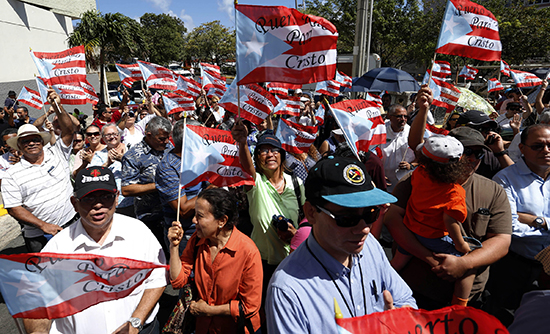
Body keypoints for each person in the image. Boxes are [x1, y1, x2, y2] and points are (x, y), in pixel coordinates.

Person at [385, 86, 512, 310]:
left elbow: (501, 241)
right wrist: (430, 259)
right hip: (415, 295)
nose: (473, 158)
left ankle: (458, 308)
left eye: (479, 153)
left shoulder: (494, 190)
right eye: (468, 152)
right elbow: (393, 220)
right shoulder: (417, 179)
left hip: (470, 302)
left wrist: (464, 264)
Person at [266, 155, 416, 333]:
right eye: (347, 218)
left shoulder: (371, 247)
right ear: (311, 213)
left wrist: (399, 320)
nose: (364, 229)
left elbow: (405, 300)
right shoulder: (288, 291)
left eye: (371, 214)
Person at [23, 167, 167, 334]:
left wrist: (135, 321)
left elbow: (157, 278)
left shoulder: (138, 232)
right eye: (88, 198)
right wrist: (37, 331)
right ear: (74, 203)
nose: (98, 205)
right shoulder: (56, 249)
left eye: (106, 197)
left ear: (117, 198)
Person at [390, 135, 475, 306]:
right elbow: (450, 222)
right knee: (468, 268)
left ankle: (380, 284)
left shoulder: (418, 173)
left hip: (411, 228)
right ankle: (459, 307)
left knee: (397, 263)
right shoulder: (454, 192)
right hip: (434, 237)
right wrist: (461, 246)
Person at [168, 188, 262, 334]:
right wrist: (174, 247)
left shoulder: (248, 252)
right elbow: (178, 281)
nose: (194, 221)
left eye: (199, 216)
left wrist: (209, 310)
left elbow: (249, 307)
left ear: (222, 221)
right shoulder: (197, 241)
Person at [231, 121, 304, 300]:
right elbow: (247, 168)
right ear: (257, 158)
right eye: (263, 151)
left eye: (274, 150)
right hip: (260, 262)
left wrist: (296, 234)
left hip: (293, 260)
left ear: (282, 155)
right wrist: (242, 143)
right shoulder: (256, 183)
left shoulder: (297, 184)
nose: (269, 154)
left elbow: (308, 219)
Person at [1, 89, 78, 252]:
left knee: (80, 270)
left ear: (41, 141)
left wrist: (57, 106)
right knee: (47, 275)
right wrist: (43, 226)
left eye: (35, 139)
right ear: (19, 146)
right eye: (26, 141)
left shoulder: (57, 153)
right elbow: (14, 208)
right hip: (39, 236)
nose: (31, 143)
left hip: (73, 224)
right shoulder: (11, 175)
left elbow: (69, 131)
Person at [488, 124, 550, 325]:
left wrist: (538, 221)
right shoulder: (505, 180)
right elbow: (510, 227)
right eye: (538, 146)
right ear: (522, 148)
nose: (546, 151)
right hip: (515, 267)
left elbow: (519, 222)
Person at [156, 119, 209, 253]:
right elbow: (183, 210)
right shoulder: (167, 167)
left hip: (207, 228)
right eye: (200, 137)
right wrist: (212, 189)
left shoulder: (200, 157)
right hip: (185, 235)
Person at [121, 116, 172, 250]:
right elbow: (126, 189)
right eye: (161, 139)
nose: (166, 142)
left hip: (173, 213)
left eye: (168, 137)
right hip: (151, 217)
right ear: (149, 135)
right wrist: (159, 185)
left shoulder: (169, 148)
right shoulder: (133, 156)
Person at [89, 123, 133, 216]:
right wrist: (107, 164)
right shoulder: (99, 155)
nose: (112, 137)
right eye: (108, 135)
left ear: (119, 135)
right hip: (109, 203)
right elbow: (92, 175)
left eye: (115, 134)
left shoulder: (131, 150)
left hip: (130, 201)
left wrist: (123, 160)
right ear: (103, 138)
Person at [456, 110, 514, 179]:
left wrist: (500, 152)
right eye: (479, 129)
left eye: (487, 130)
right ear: (459, 127)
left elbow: (515, 177)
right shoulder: (446, 149)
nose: (483, 134)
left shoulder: (489, 152)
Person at [380, 104, 416, 192]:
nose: (403, 119)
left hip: (404, 183)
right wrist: (378, 175)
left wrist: (411, 165)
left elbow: (421, 155)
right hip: (383, 182)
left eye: (406, 116)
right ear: (389, 116)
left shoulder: (412, 132)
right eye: (399, 116)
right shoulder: (380, 130)